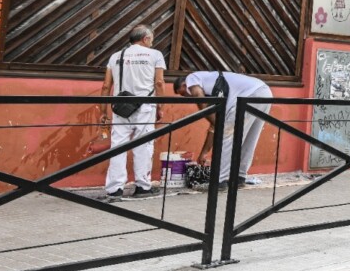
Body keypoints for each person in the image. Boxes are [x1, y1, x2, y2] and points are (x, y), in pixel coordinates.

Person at [174, 71, 272, 188]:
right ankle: (239, 178)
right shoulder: (215, 92)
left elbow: (197, 95)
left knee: (227, 136)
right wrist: (204, 153)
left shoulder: (192, 78)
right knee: (250, 139)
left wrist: (218, 124)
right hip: (264, 92)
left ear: (185, 85)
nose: (187, 97)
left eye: (184, 93)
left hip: (250, 94)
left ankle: (220, 180)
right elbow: (214, 127)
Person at [100, 24, 165, 199]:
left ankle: (114, 189)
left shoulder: (115, 56)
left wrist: (103, 111)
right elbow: (159, 83)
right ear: (146, 38)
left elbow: (106, 86)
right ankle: (142, 187)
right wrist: (161, 107)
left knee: (118, 146)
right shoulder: (155, 55)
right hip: (145, 107)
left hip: (120, 107)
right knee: (143, 146)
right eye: (152, 39)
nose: (152, 42)